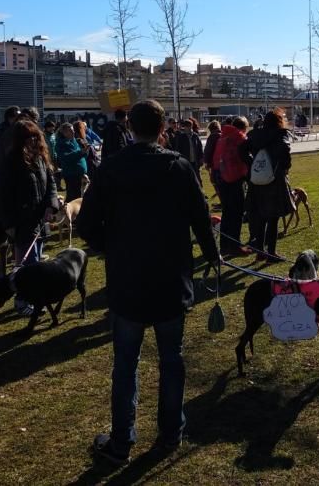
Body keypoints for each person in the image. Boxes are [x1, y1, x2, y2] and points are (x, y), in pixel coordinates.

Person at [77, 99, 218, 464]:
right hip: (168, 279)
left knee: (127, 362)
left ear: (131, 128)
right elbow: (201, 218)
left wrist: (114, 247)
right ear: (162, 129)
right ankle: (169, 433)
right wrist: (211, 254)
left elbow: (88, 225)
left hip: (130, 281)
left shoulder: (112, 169)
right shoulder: (178, 167)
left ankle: (124, 440)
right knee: (171, 359)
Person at [0, 120, 58, 316]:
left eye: (35, 137)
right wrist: (10, 224)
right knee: (25, 263)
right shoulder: (11, 162)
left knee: (36, 261)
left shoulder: (40, 158)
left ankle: (32, 297)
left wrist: (51, 205)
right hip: (22, 221)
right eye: (28, 138)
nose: (33, 141)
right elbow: (3, 197)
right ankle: (22, 301)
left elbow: (51, 186)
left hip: (39, 219)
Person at [241, 108, 295, 261]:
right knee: (272, 218)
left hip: (257, 181)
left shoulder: (255, 134)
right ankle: (270, 252)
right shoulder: (280, 135)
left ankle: (260, 252)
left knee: (260, 217)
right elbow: (285, 154)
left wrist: (252, 164)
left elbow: (241, 150)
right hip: (274, 181)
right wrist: (283, 168)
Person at [213, 117, 251, 255]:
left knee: (227, 213)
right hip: (235, 179)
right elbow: (245, 158)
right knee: (237, 213)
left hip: (222, 179)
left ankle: (224, 245)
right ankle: (235, 245)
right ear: (243, 128)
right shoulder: (239, 138)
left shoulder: (222, 138)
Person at [56, 123, 88, 201]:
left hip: (79, 174)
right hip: (71, 175)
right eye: (70, 131)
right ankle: (67, 212)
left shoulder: (74, 140)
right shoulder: (61, 144)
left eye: (73, 130)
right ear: (64, 133)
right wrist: (80, 152)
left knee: (79, 197)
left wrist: (85, 152)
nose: (73, 132)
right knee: (73, 198)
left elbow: (80, 156)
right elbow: (65, 157)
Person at [202, 120, 222, 201]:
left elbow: (208, 150)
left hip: (215, 164)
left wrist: (206, 162)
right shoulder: (223, 135)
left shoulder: (212, 137)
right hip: (224, 163)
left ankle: (222, 200)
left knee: (215, 182)